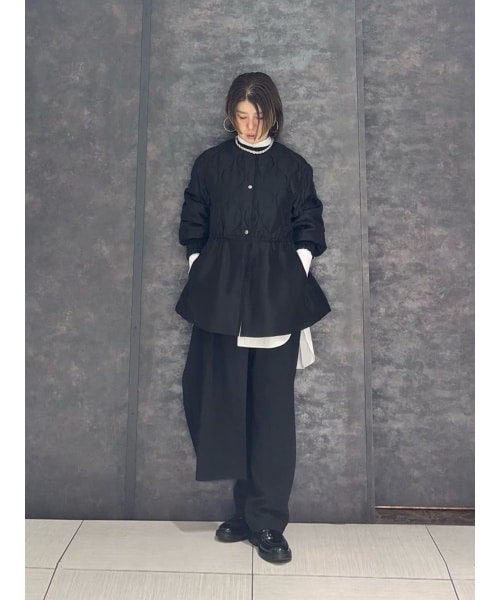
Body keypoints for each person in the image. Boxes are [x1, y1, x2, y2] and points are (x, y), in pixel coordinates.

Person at [175, 72, 330, 563]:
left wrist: (292, 274)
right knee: (225, 406)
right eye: (241, 116)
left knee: (270, 412)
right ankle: (245, 512)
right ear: (231, 115)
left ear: (273, 115)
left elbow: (309, 227)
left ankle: (268, 522)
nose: (249, 125)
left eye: (257, 116)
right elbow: (193, 223)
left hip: (276, 302)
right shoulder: (210, 164)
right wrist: (201, 268)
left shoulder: (293, 168)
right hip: (219, 301)